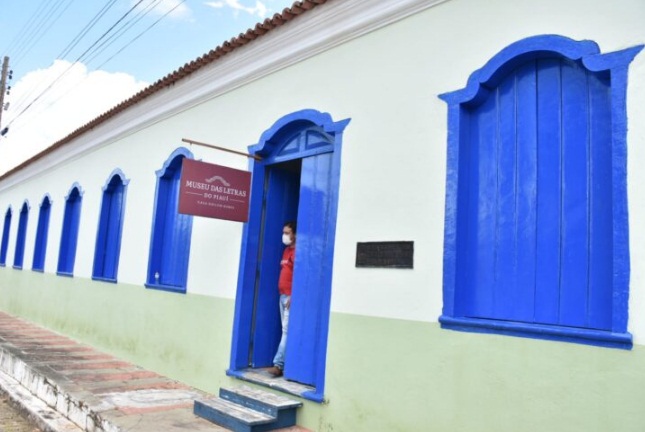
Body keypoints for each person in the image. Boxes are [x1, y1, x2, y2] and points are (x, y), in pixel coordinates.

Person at [267, 221, 296, 377]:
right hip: (282, 295)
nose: (284, 235)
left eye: (287, 233)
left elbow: (300, 274)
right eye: (283, 232)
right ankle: (282, 364)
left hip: (290, 297)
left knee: (286, 330)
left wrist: (294, 295)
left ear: (295, 234)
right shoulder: (286, 251)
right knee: (285, 329)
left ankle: (278, 365)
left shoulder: (298, 251)